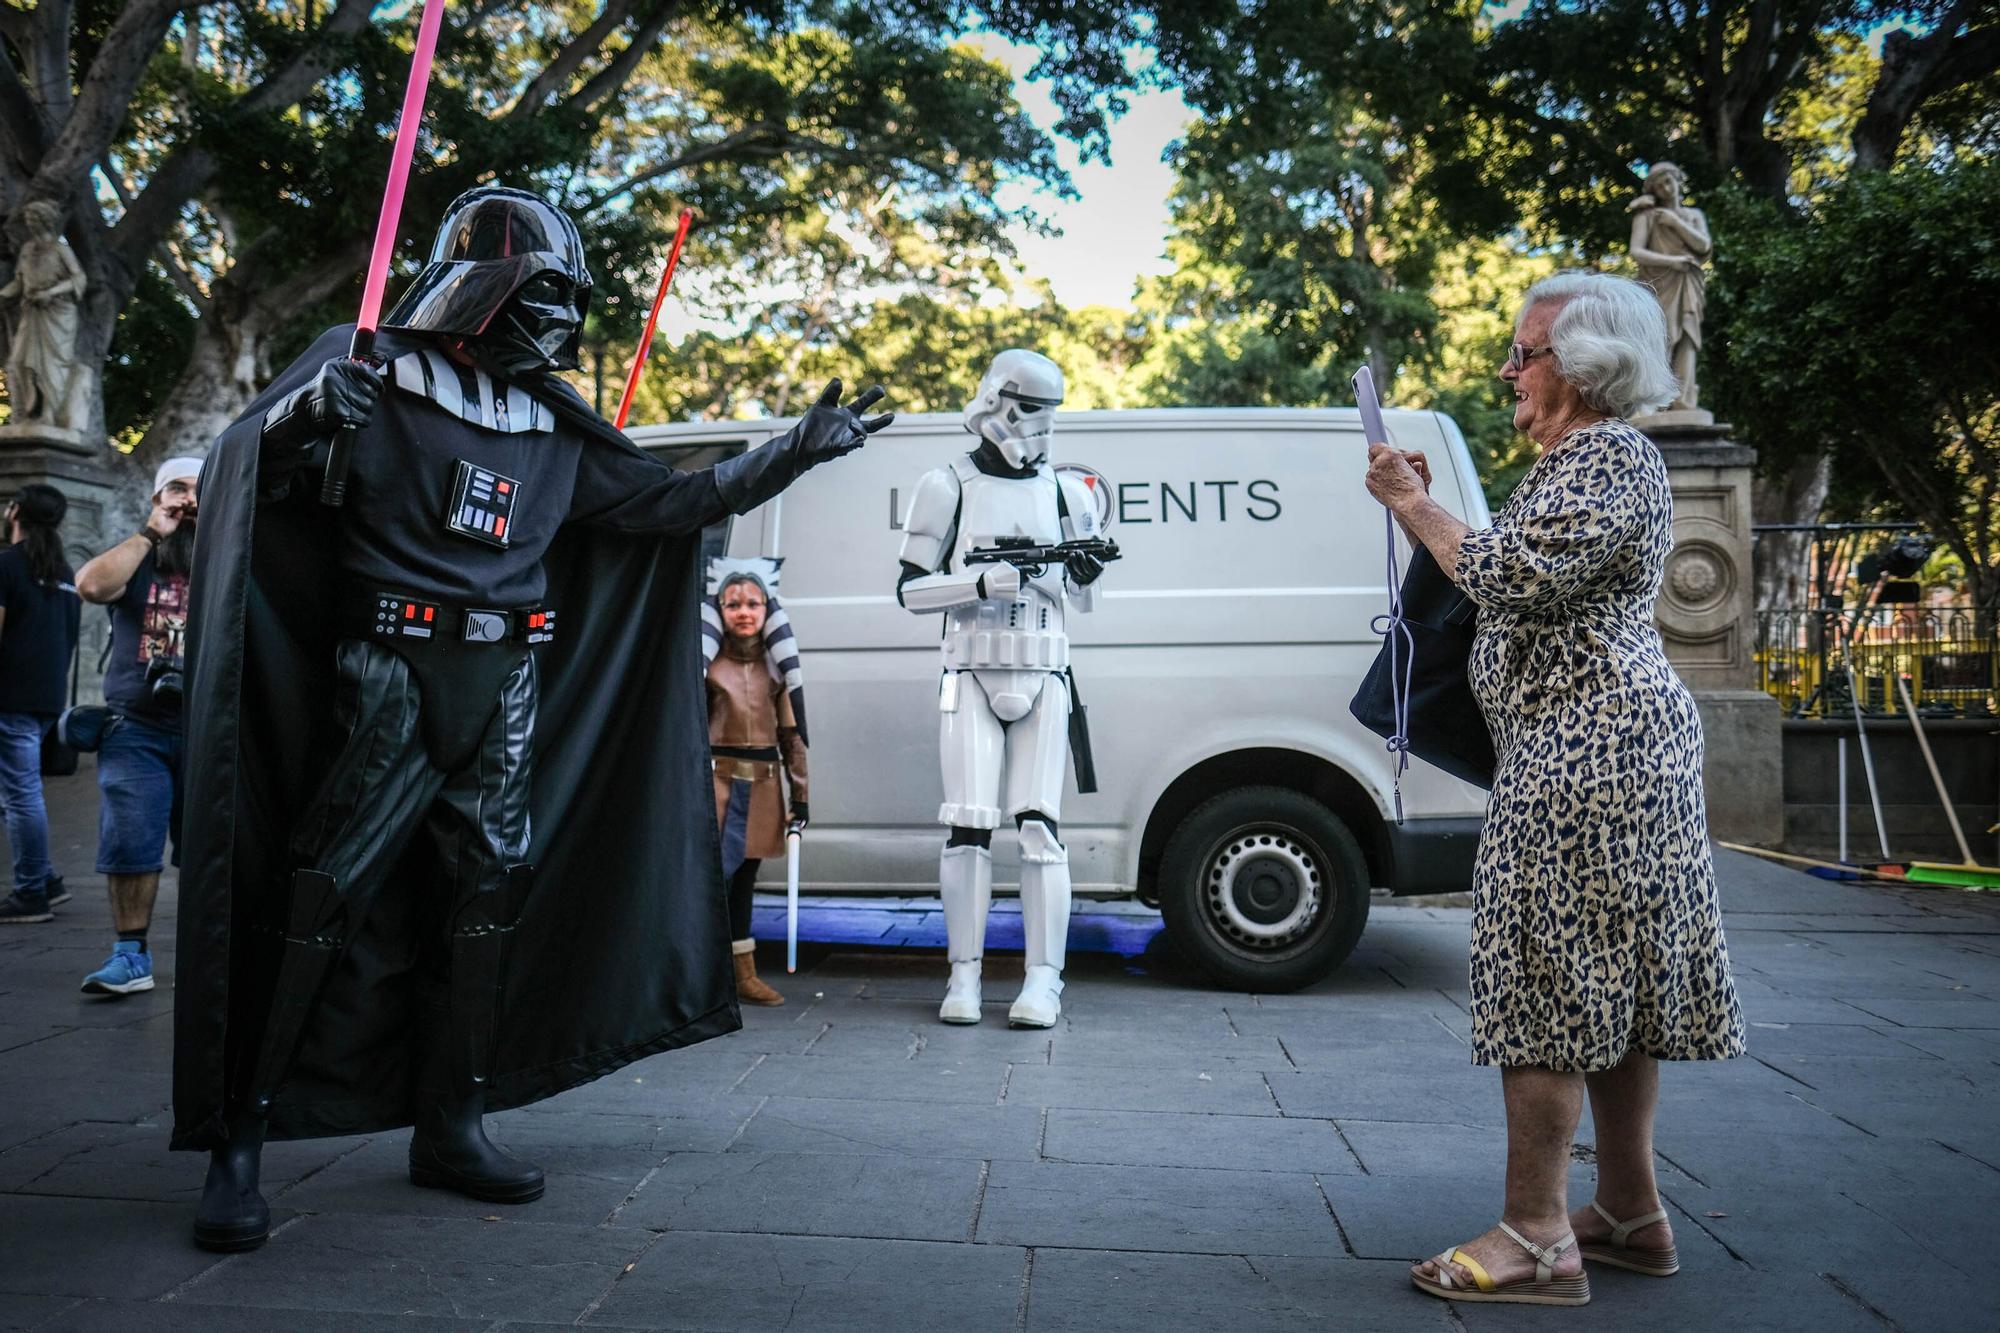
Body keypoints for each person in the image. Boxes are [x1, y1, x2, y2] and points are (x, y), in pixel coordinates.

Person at [171, 185, 890, 1254]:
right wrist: (306, 420)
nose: (561, 318)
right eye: (547, 292)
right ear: (489, 283)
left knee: (484, 903)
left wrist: (792, 449)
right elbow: (243, 472)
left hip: (506, 679)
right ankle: (242, 1140)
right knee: (320, 896)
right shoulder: (366, 368)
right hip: (387, 673)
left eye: (573, 298)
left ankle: (453, 1121)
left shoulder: (552, 424)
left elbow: (666, 504)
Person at [1365, 271, 1745, 1307]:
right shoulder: (1590, 461)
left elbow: (1507, 577)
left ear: (1580, 365)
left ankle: (1535, 1236)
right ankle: (1626, 1211)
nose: (1507, 369)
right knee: (1608, 989)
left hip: (1587, 757)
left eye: (1522, 351)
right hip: (1606, 749)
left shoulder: (1607, 456)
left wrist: (1412, 502)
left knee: (1544, 985)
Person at [895, 349, 1116, 1028]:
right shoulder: (946, 484)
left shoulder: (1067, 493)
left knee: (1040, 829)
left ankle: (1043, 981)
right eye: (1027, 410)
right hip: (970, 670)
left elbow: (1085, 603)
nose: (1036, 428)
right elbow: (909, 590)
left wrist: (1078, 570)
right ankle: (964, 976)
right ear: (997, 401)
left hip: (1044, 671)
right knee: (967, 827)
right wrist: (978, 582)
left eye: (1048, 414)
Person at [72, 458, 202, 993]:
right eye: (177, 489)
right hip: (136, 727)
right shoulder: (141, 557)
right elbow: (90, 586)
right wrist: (155, 529)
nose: (188, 500)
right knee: (130, 840)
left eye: (201, 491)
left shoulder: (233, 556)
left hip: (209, 727)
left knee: (213, 846)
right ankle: (130, 957)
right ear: (156, 497)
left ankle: (212, 957)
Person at [701, 558, 808, 1006]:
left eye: (753, 603)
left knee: (744, 881)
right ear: (719, 609)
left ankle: (742, 975)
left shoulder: (777, 669)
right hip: (715, 787)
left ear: (768, 609)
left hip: (763, 787)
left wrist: (801, 797)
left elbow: (792, 737)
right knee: (708, 882)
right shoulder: (706, 668)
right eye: (733, 604)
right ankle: (702, 977)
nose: (743, 612)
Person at [0, 484, 80, 924]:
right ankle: (46, 878)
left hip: (11, 699)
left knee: (21, 795)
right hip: (47, 699)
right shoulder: (64, 572)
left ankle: (31, 891)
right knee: (21, 791)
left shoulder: (7, 566)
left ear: (15, 512)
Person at [1626, 162, 1710, 412]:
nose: (1666, 188)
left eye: (1669, 181)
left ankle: (1683, 401)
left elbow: (1703, 246)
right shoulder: (1647, 217)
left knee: (1687, 336)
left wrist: (1675, 222)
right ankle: (1653, 402)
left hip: (1688, 283)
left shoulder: (1693, 216)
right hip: (1658, 285)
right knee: (1659, 338)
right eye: (1660, 184)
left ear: (1678, 181)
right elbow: (1637, 252)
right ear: (1654, 189)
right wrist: (1673, 261)